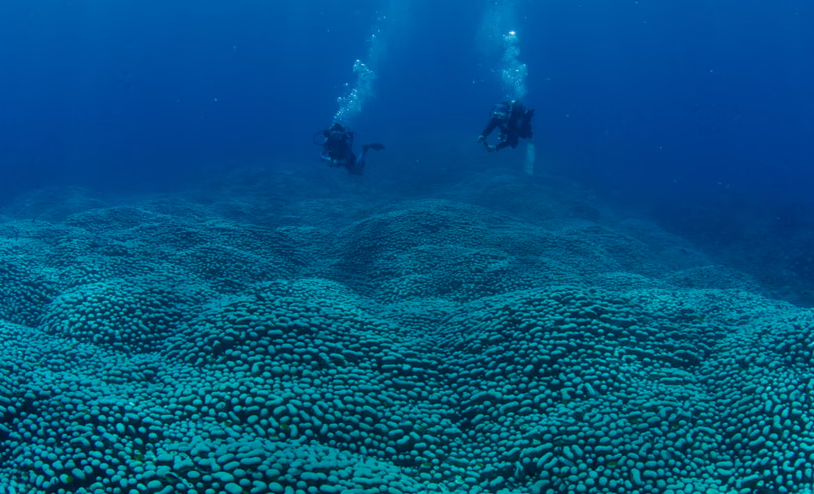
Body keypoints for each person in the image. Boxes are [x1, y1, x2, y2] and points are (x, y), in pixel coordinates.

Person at [316, 123, 384, 175]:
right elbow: (321, 155)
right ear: (330, 134)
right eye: (334, 135)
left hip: (345, 157)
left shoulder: (346, 141)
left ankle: (365, 149)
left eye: (338, 135)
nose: (336, 137)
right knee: (353, 171)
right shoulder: (327, 140)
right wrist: (328, 159)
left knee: (358, 170)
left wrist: (338, 163)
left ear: (341, 134)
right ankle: (364, 150)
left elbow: (347, 159)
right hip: (335, 158)